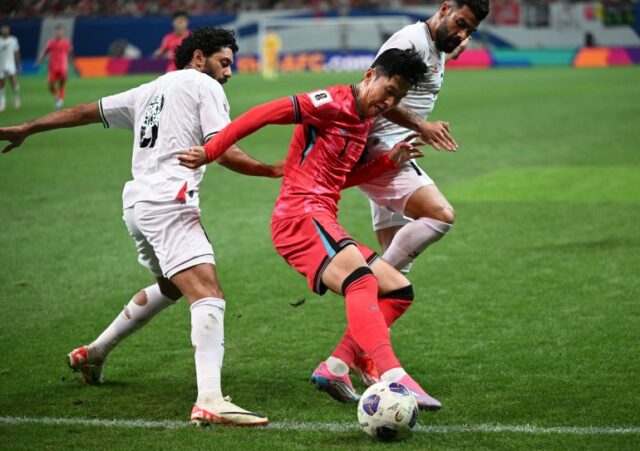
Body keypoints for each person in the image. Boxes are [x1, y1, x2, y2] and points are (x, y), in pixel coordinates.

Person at [0, 27, 282, 427]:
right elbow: (222, 150)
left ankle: (95, 351)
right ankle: (210, 399)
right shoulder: (203, 86)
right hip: (169, 203)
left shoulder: (147, 90)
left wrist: (29, 127)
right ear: (199, 58)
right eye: (224, 62)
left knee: (171, 286)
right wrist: (273, 170)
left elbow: (85, 111)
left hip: (136, 205)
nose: (228, 73)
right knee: (208, 293)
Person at [177, 48, 443, 411]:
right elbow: (262, 114)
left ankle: (335, 367)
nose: (390, 101)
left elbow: (339, 179)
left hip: (321, 216)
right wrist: (211, 150)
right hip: (299, 217)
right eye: (390, 90)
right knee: (362, 281)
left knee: (397, 291)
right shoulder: (329, 103)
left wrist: (386, 161)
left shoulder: (363, 119)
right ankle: (394, 375)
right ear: (370, 75)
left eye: (399, 97)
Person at [347, 0, 490, 387]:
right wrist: (422, 125)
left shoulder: (436, 43)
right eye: (460, 23)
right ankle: (351, 343)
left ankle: (367, 355)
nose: (462, 34)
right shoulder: (411, 42)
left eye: (470, 31)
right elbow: (373, 94)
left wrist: (455, 46)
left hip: (393, 151)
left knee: (397, 274)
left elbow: (444, 50)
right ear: (444, 8)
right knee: (440, 215)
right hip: (382, 151)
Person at [35, 24, 73, 109]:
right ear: (55, 33)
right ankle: (58, 95)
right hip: (52, 67)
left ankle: (60, 99)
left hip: (63, 67)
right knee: (50, 85)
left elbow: (70, 53)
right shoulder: (50, 42)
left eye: (60, 31)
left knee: (62, 83)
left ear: (62, 32)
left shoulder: (67, 42)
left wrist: (72, 64)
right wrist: (39, 60)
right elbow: (45, 52)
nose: (58, 33)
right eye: (57, 32)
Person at [0, 24, 21, 112]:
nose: (4, 30)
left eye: (6, 28)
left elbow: (16, 52)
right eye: (3, 28)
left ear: (9, 30)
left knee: (14, 83)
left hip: (10, 64)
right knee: (1, 85)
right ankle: (2, 103)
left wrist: (18, 65)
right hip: (1, 65)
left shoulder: (13, 40)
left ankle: (16, 98)